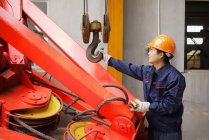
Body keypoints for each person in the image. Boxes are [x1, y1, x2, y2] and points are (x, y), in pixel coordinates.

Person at [100, 34, 186, 140]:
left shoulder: (175, 78)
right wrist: (108, 59)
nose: (148, 53)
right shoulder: (149, 71)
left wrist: (147, 106)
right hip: (153, 128)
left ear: (161, 54)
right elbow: (129, 68)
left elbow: (170, 105)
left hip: (168, 132)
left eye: (151, 50)